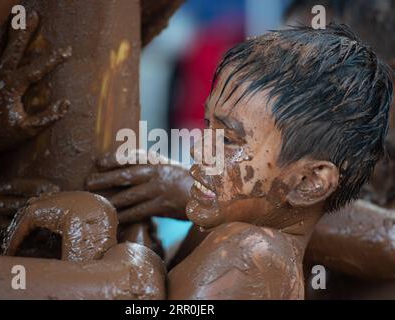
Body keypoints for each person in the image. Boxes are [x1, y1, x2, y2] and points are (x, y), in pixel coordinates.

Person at [88, 24, 393, 299]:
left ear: (308, 182)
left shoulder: (252, 253)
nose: (197, 150)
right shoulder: (225, 227)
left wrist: (132, 269)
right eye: (208, 126)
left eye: (228, 140)